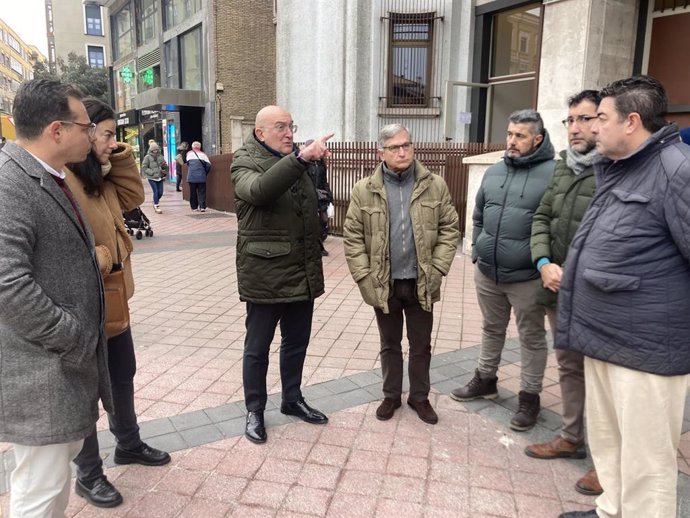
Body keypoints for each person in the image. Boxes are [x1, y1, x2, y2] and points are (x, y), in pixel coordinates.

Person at [557, 76, 690, 518]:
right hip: (605, 337)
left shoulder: (677, 170)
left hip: (647, 349)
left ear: (631, 122)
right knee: (610, 440)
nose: (593, 128)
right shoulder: (618, 167)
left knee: (647, 460)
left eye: (601, 118)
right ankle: (610, 510)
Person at [0, 78, 113, 517]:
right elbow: (7, 281)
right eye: (86, 126)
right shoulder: (11, 182)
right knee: (40, 490)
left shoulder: (48, 175)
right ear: (57, 130)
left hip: (57, 365)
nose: (92, 134)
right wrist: (71, 334)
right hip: (41, 369)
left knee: (49, 480)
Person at [64, 98, 171, 509]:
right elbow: (69, 251)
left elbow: (132, 196)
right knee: (87, 390)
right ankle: (88, 475)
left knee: (123, 373)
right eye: (107, 134)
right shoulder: (66, 180)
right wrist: (106, 255)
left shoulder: (98, 175)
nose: (113, 142)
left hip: (114, 302)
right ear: (84, 132)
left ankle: (128, 443)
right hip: (84, 304)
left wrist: (118, 151)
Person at [343, 124, 459, 424]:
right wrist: (364, 279)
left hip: (422, 281)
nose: (402, 151)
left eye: (406, 144)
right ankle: (391, 395)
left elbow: (449, 230)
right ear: (380, 152)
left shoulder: (435, 185)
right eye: (394, 147)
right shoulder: (364, 189)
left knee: (421, 345)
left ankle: (419, 397)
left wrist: (438, 270)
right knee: (390, 344)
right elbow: (353, 237)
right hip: (385, 284)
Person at [231, 105, 333, 444]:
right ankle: (255, 410)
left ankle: (292, 399)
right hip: (265, 273)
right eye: (281, 127)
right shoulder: (244, 160)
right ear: (261, 133)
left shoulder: (294, 159)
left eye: (291, 126)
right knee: (257, 348)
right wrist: (302, 159)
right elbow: (260, 190)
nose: (289, 133)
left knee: (296, 342)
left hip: (301, 271)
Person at [450, 109, 555, 432]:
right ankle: (486, 379)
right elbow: (479, 214)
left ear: (537, 139)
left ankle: (529, 397)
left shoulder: (554, 173)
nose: (512, 141)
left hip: (526, 276)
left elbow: (555, 225)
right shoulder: (495, 172)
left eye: (520, 136)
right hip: (488, 271)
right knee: (491, 328)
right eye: (510, 134)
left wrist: (542, 264)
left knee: (531, 338)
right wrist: (478, 248)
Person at [523, 90, 602, 496]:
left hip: (598, 297)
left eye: (584, 119)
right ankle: (572, 438)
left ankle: (608, 463)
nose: (575, 128)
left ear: (604, 119)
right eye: (569, 120)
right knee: (570, 367)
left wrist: (576, 271)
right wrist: (543, 263)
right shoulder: (563, 168)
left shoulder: (614, 169)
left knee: (606, 378)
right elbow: (542, 217)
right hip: (556, 288)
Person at [302, 140, 333, 255]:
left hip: (321, 196)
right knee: (311, 222)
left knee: (323, 219)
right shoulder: (305, 163)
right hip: (309, 196)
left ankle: (319, 243)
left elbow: (324, 180)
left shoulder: (320, 164)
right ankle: (316, 247)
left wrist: (329, 194)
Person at [141, 142, 168, 214]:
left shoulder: (160, 156)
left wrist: (164, 166)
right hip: (152, 177)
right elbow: (144, 167)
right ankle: (156, 205)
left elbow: (165, 165)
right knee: (155, 191)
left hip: (160, 176)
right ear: (151, 150)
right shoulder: (147, 157)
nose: (155, 151)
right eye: (154, 150)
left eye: (156, 150)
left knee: (160, 192)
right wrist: (151, 172)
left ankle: (155, 201)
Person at [186, 141, 212, 212]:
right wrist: (204, 172)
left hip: (191, 177)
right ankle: (202, 206)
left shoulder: (189, 154)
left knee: (193, 192)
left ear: (192, 147)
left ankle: (194, 207)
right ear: (199, 147)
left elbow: (188, 163)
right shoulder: (203, 155)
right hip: (201, 177)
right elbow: (209, 165)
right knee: (202, 192)